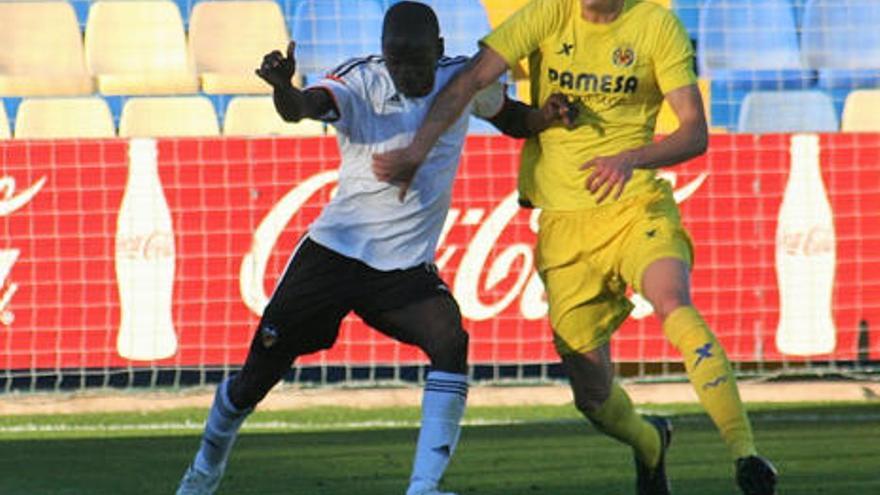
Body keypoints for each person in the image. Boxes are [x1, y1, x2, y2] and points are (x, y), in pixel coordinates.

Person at [372, 1, 779, 494]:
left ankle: (747, 455)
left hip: (635, 207)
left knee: (673, 302)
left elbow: (694, 131)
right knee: (592, 399)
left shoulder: (655, 25)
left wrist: (632, 158)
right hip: (563, 227)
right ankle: (651, 442)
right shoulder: (548, 13)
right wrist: (416, 152)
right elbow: (469, 81)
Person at [175, 3, 569, 495]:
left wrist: (543, 117)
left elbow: (510, 118)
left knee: (449, 338)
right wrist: (283, 89)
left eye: (417, 61)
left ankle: (424, 487)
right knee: (256, 377)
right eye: (397, 60)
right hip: (334, 254)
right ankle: (204, 468)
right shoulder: (360, 82)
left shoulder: (464, 81)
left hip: (403, 270)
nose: (406, 72)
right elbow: (306, 107)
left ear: (439, 51)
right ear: (383, 54)